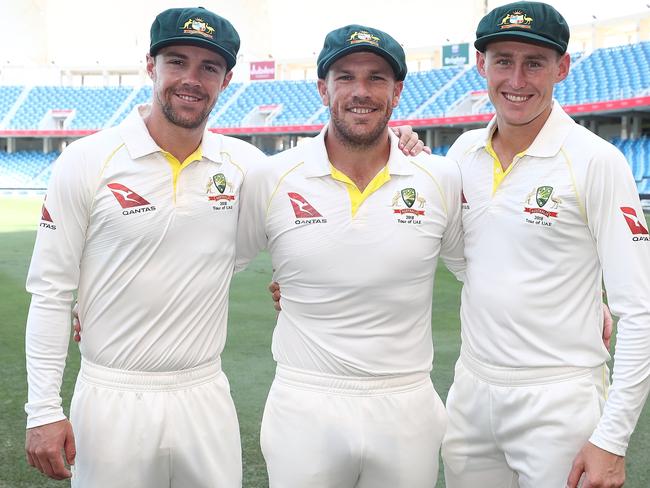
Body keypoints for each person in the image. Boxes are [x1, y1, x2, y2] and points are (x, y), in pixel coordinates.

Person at [24, 7, 426, 487]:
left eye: (208, 67)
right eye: (177, 61)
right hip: (113, 392)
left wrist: (401, 145)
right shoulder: (86, 161)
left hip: (204, 394)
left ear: (227, 78)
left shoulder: (247, 166)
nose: (191, 79)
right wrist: (43, 409)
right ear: (151, 66)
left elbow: (298, 238)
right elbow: (50, 291)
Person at [234, 24, 465, 488]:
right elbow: (206, 264)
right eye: (345, 77)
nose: (361, 92)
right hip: (306, 401)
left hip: (407, 403)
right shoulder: (272, 176)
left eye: (377, 78)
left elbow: (482, 270)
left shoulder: (439, 176)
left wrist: (585, 301)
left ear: (397, 91)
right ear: (323, 88)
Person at [440, 2, 650, 488]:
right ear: (481, 65)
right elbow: (463, 256)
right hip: (471, 392)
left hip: (558, 399)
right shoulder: (463, 153)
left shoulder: (596, 160)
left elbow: (639, 310)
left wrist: (612, 439)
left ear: (562, 67)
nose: (517, 78)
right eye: (503, 60)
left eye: (534, 62)